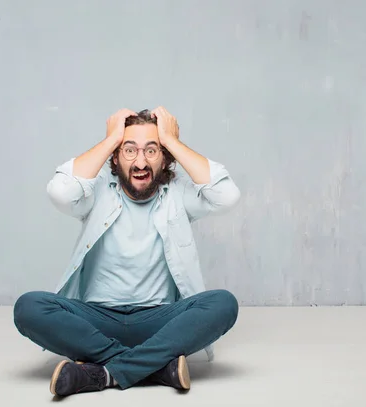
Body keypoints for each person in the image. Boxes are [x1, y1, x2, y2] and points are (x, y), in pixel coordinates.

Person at [13, 107, 241, 397]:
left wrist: (172, 141)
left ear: (165, 158)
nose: (140, 161)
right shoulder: (96, 191)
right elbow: (60, 191)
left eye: (152, 150)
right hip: (95, 320)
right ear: (116, 157)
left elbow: (227, 196)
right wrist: (111, 140)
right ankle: (155, 367)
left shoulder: (179, 194)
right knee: (29, 307)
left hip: (159, 322)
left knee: (223, 304)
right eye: (129, 150)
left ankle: (104, 373)